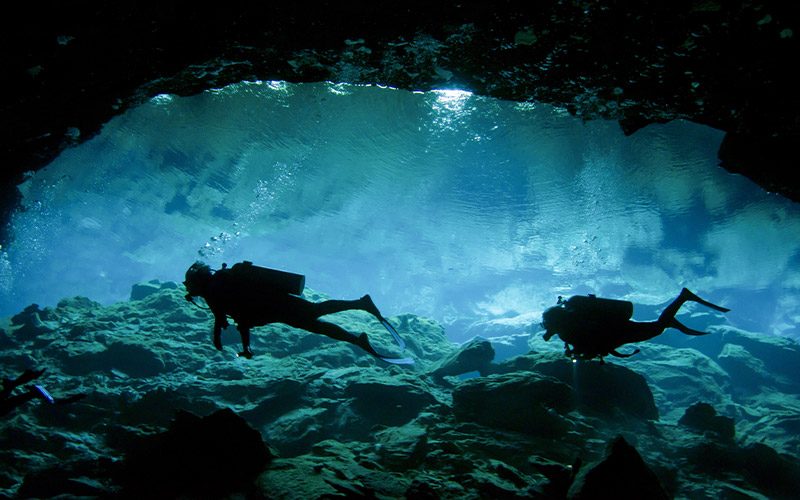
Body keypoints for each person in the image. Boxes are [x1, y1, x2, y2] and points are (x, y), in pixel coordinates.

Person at [183, 261, 412, 364]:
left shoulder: (214, 293)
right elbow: (231, 318)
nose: (188, 289)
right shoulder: (222, 280)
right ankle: (357, 332)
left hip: (277, 308)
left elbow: (239, 318)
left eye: (188, 284)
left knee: (316, 316)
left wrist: (246, 348)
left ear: (197, 282)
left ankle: (361, 308)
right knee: (316, 318)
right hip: (278, 303)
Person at [541, 288, 729, 362]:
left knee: (657, 329)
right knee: (656, 328)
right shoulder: (571, 325)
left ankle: (683, 297)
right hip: (617, 330)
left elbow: (591, 345)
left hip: (618, 331)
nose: (550, 332)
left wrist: (579, 355)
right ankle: (671, 319)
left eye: (550, 327)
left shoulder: (570, 331)